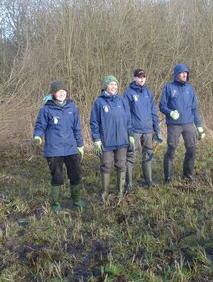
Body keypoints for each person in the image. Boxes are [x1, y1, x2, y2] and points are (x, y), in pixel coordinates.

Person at [32, 80, 86, 213]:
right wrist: (38, 137)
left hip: (70, 148)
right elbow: (40, 126)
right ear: (53, 93)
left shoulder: (72, 107)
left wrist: (80, 145)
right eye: (59, 91)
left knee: (76, 175)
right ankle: (56, 203)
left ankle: (76, 200)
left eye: (64, 91)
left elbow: (77, 128)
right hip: (53, 150)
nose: (62, 93)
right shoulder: (46, 109)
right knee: (57, 177)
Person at [90, 75, 135, 202]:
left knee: (121, 165)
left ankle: (120, 191)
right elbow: (94, 123)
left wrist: (130, 135)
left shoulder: (122, 101)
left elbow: (128, 120)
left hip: (122, 141)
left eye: (115, 84)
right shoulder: (99, 102)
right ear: (105, 86)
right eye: (111, 84)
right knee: (106, 165)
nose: (114, 87)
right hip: (106, 142)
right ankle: (105, 193)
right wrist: (96, 139)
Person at [159, 63, 205, 183]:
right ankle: (168, 177)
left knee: (191, 149)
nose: (185, 74)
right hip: (174, 124)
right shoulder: (169, 87)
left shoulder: (190, 89)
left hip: (189, 124)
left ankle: (187, 174)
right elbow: (162, 106)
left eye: (186, 73)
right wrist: (170, 113)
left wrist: (199, 126)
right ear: (176, 74)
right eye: (182, 72)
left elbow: (194, 108)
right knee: (171, 148)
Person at [123, 69, 162, 190]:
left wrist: (157, 129)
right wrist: (129, 131)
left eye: (143, 77)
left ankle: (148, 180)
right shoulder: (128, 93)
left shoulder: (148, 93)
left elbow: (153, 112)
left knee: (148, 154)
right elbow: (126, 114)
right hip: (135, 130)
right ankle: (128, 183)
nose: (142, 79)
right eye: (139, 77)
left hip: (148, 130)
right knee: (131, 155)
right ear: (134, 78)